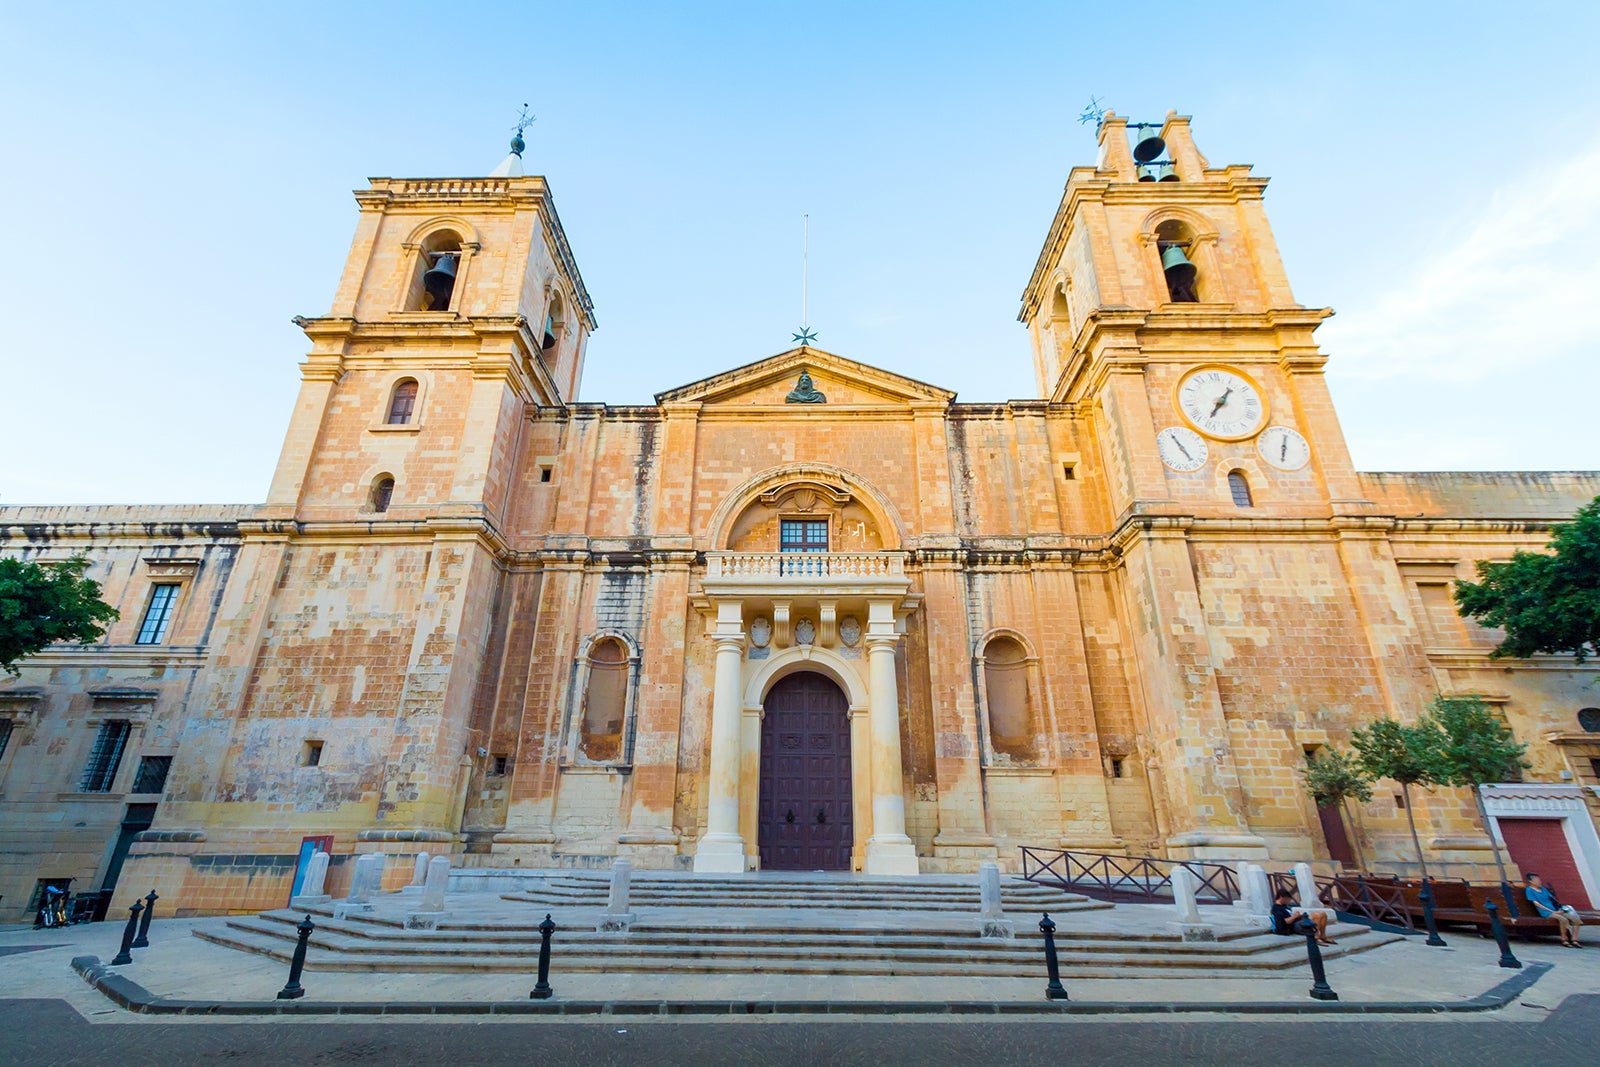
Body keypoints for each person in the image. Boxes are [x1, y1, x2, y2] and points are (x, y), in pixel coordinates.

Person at [1524, 873, 1584, 947]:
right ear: (1531, 881)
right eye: (1536, 880)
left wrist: (1561, 909)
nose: (1539, 881)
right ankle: (1564, 939)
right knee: (1563, 919)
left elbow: (1553, 900)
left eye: (1539, 880)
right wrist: (1552, 911)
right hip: (1546, 912)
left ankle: (1574, 940)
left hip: (1556, 910)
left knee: (1576, 920)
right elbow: (1536, 903)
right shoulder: (1529, 890)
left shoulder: (1543, 889)